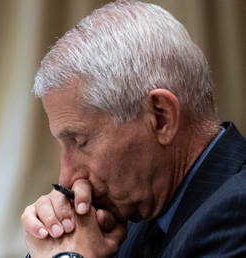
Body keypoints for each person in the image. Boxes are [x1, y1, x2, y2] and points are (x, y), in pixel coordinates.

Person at [20, 0, 246, 257]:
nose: (67, 179)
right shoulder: (134, 210)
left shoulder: (236, 213)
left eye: (80, 141)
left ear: (161, 117)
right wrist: (57, 242)